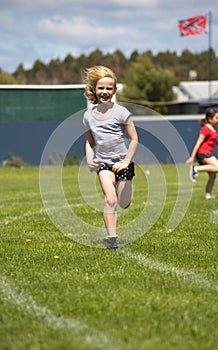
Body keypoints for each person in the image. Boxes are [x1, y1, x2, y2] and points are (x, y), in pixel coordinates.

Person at [83, 66, 138, 249]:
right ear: (94, 90)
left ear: (114, 90)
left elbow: (134, 140)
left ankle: (126, 189)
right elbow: (90, 142)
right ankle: (112, 238)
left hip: (123, 162)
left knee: (124, 203)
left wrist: (126, 162)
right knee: (110, 199)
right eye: (101, 88)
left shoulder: (122, 112)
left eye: (109, 88)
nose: (105, 92)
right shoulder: (88, 116)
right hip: (103, 163)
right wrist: (90, 158)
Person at [186, 107, 218, 199]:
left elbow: (216, 140)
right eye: (217, 118)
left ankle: (208, 195)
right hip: (204, 154)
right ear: (210, 119)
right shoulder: (206, 129)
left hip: (207, 154)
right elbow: (198, 143)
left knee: (212, 176)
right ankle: (195, 169)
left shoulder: (214, 128)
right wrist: (192, 157)